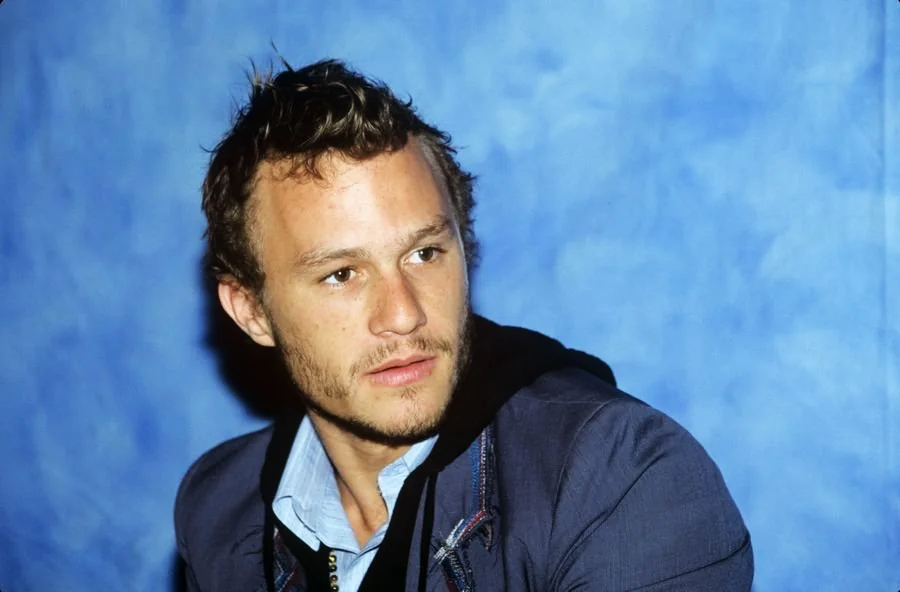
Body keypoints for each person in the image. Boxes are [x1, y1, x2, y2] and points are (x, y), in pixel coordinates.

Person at [174, 58, 753, 592]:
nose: (403, 314)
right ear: (251, 310)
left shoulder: (618, 481)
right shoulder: (221, 510)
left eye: (424, 254)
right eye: (342, 274)